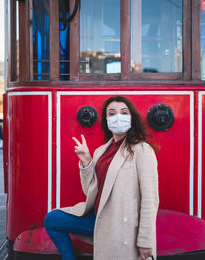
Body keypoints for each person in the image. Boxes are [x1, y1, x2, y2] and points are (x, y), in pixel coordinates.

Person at [44, 96, 159, 260]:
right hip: (99, 217)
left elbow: (150, 198)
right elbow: (90, 190)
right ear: (106, 120)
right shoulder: (101, 151)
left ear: (131, 118)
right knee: (52, 220)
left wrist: (145, 240)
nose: (118, 116)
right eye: (112, 113)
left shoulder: (141, 149)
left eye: (124, 112)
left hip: (121, 224)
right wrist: (86, 161)